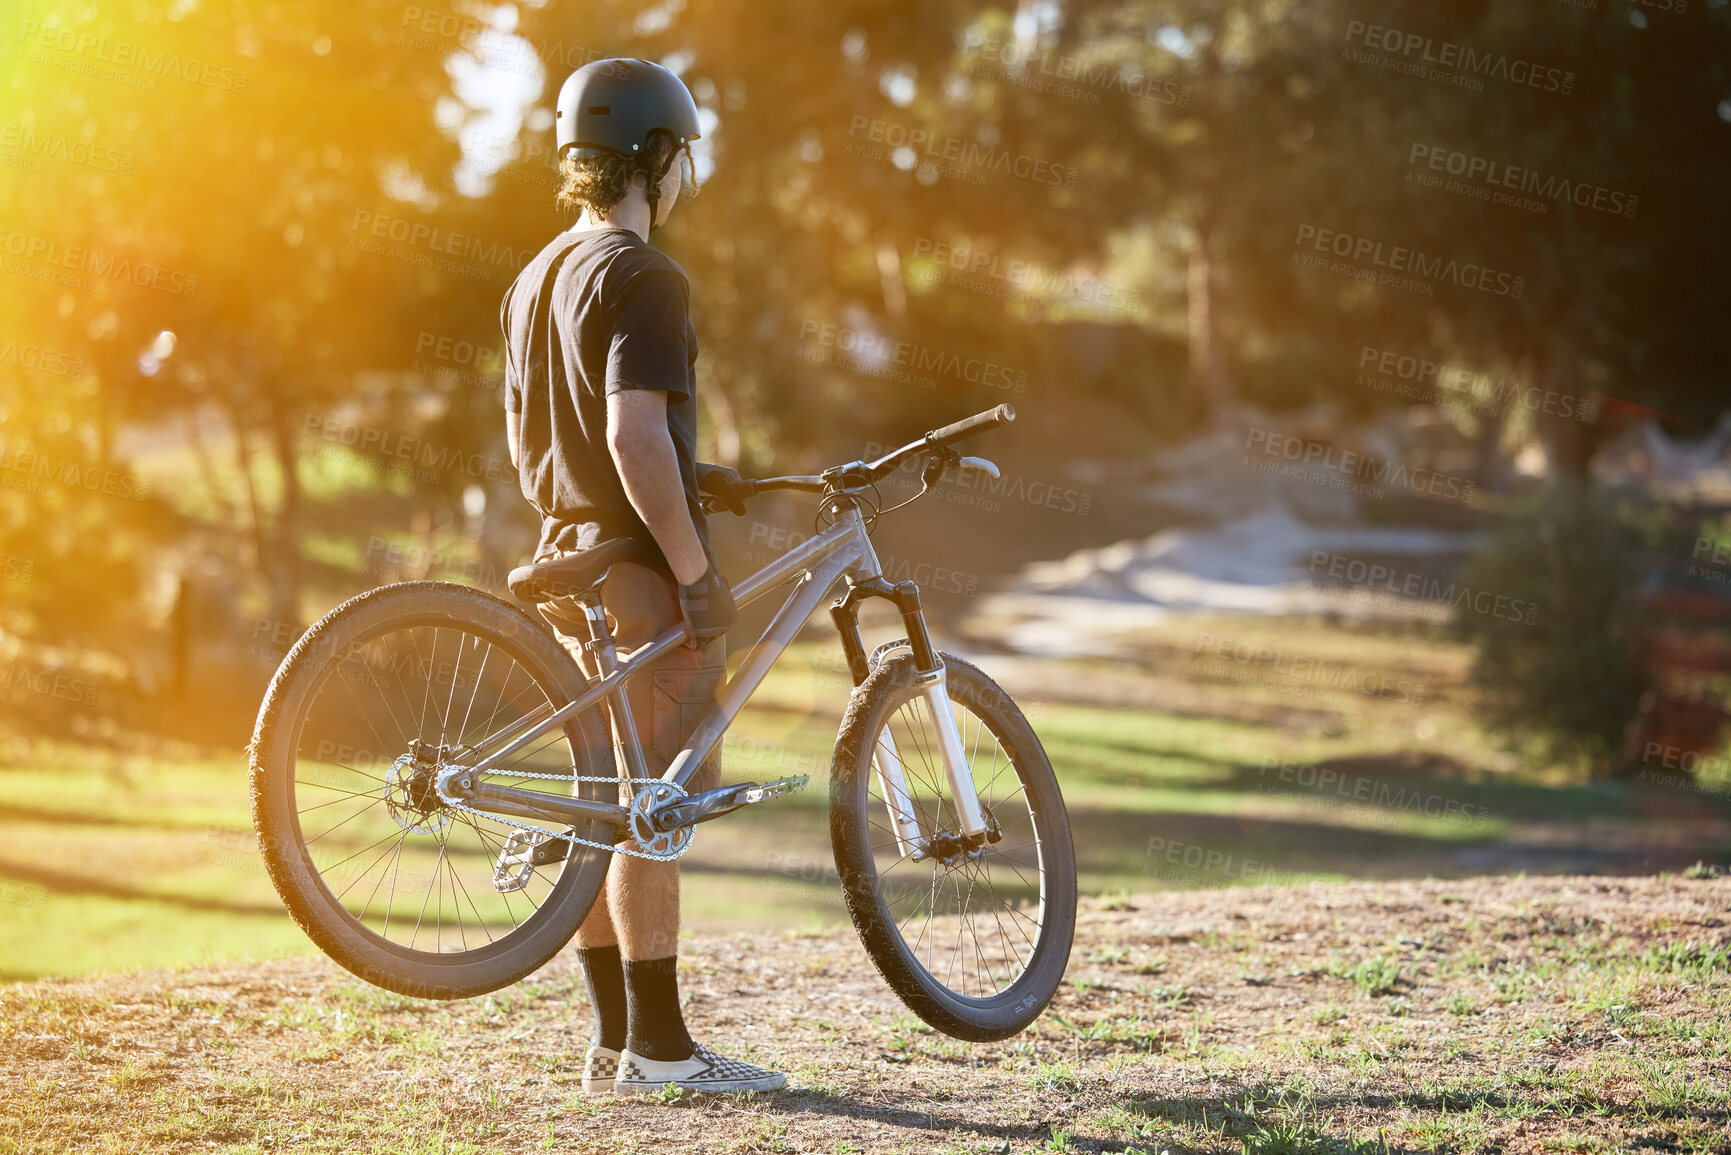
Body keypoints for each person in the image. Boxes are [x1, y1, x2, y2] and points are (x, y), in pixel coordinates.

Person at [498, 57, 780, 1096]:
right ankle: (662, 1051)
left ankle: (616, 1043)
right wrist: (699, 573)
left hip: (562, 565)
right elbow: (628, 434)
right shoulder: (646, 274)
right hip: (635, 575)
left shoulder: (535, 276)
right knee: (653, 807)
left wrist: (701, 472)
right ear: (657, 157)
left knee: (606, 805)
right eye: (683, 157)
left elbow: (560, 435)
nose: (686, 177)